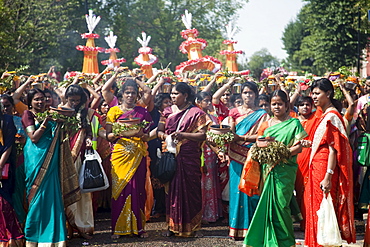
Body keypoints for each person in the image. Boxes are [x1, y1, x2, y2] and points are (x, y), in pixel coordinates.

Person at [242, 90, 306, 247]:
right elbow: (258, 144)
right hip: (268, 169)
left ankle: (286, 242)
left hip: (285, 169)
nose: (276, 107)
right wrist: (265, 148)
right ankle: (268, 241)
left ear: (286, 105)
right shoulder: (266, 124)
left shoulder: (294, 123)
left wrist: (280, 154)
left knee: (282, 205)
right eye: (273, 104)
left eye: (280, 104)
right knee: (267, 204)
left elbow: (298, 147)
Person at [304, 78, 356, 246]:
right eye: (312, 93)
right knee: (316, 208)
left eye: (317, 93)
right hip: (317, 166)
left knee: (323, 210)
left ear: (328, 94)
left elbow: (334, 149)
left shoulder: (332, 116)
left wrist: (328, 175)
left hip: (325, 169)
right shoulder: (324, 115)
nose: (313, 96)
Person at [157, 82, 210, 237]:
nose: (173, 97)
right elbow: (160, 131)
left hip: (189, 157)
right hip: (172, 155)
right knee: (172, 190)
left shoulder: (196, 113)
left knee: (190, 190)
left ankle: (192, 226)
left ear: (185, 95)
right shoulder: (167, 112)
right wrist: (166, 137)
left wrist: (183, 135)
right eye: (171, 94)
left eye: (176, 94)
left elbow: (203, 135)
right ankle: (172, 225)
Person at [106, 79, 152, 239]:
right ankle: (118, 229)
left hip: (138, 154)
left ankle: (139, 228)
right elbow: (108, 136)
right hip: (120, 155)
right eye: (127, 92)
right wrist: (120, 133)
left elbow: (146, 136)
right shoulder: (113, 111)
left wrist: (141, 134)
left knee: (138, 190)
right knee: (119, 191)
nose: (130, 95)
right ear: (122, 94)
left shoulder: (142, 112)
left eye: (133, 92)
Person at [22, 89, 67, 246]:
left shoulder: (49, 114)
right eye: (36, 100)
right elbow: (33, 138)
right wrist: (46, 122)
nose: (40, 102)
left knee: (51, 195)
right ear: (30, 102)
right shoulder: (27, 115)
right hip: (35, 158)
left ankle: (55, 239)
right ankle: (33, 237)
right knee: (36, 197)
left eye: (43, 99)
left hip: (51, 156)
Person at [227, 82, 269, 240]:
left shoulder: (262, 114)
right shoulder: (233, 112)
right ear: (241, 95)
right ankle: (235, 229)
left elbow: (263, 135)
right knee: (237, 191)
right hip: (235, 156)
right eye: (245, 93)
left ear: (256, 95)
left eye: (251, 93)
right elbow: (230, 133)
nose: (248, 96)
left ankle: (251, 229)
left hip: (252, 156)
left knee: (251, 191)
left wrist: (242, 138)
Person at [63, 85, 95, 239]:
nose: (75, 103)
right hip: (64, 157)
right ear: (66, 99)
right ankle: (68, 228)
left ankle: (83, 227)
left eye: (77, 100)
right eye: (72, 100)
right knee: (66, 191)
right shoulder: (61, 111)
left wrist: (88, 139)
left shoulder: (84, 112)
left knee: (82, 193)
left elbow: (89, 132)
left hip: (79, 157)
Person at [196, 91, 222, 224]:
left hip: (212, 153)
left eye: (209, 100)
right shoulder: (199, 116)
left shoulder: (213, 117)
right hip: (203, 151)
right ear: (199, 102)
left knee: (211, 182)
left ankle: (212, 212)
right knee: (202, 182)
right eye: (205, 100)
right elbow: (204, 137)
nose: (208, 103)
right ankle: (201, 214)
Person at [295, 96, 319, 229]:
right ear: (297, 107)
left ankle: (308, 223)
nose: (305, 107)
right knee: (298, 191)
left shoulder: (315, 119)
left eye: (308, 104)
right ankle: (299, 220)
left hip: (310, 157)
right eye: (302, 104)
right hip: (296, 158)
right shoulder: (292, 121)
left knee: (307, 190)